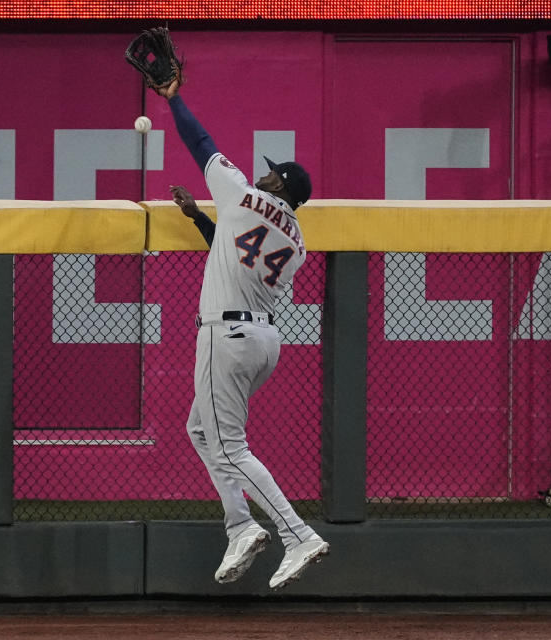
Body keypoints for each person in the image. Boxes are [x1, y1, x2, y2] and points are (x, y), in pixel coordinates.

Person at [157, 76, 329, 590]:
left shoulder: (242, 195)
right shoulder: (297, 240)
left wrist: (172, 98)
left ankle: (297, 533)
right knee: (200, 429)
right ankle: (241, 526)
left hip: (225, 339)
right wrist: (198, 221)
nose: (265, 173)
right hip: (265, 345)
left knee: (230, 446)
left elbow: (201, 143)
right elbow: (236, 248)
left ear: (279, 186)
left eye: (274, 173)